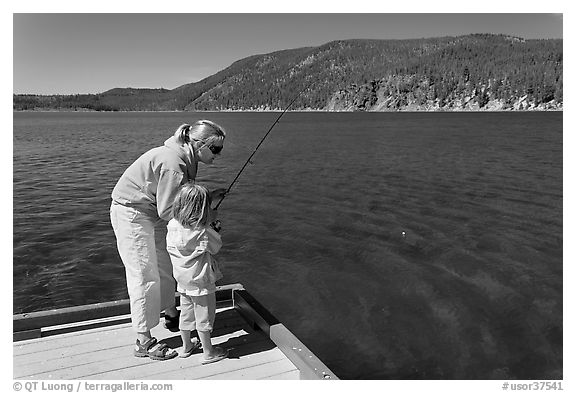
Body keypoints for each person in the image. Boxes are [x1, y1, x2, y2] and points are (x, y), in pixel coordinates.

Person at [110, 120, 227, 360]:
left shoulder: (183, 158)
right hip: (132, 213)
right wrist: (206, 212)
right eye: (215, 149)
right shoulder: (174, 164)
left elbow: (175, 201)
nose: (218, 155)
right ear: (198, 143)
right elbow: (168, 211)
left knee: (164, 267)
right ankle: (143, 340)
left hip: (147, 213)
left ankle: (172, 314)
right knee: (143, 274)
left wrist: (207, 197)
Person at [167, 183, 229, 364]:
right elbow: (215, 247)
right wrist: (215, 230)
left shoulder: (172, 225)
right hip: (201, 281)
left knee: (186, 313)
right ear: (201, 210)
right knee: (204, 316)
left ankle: (186, 347)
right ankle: (208, 352)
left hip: (182, 279)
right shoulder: (202, 232)